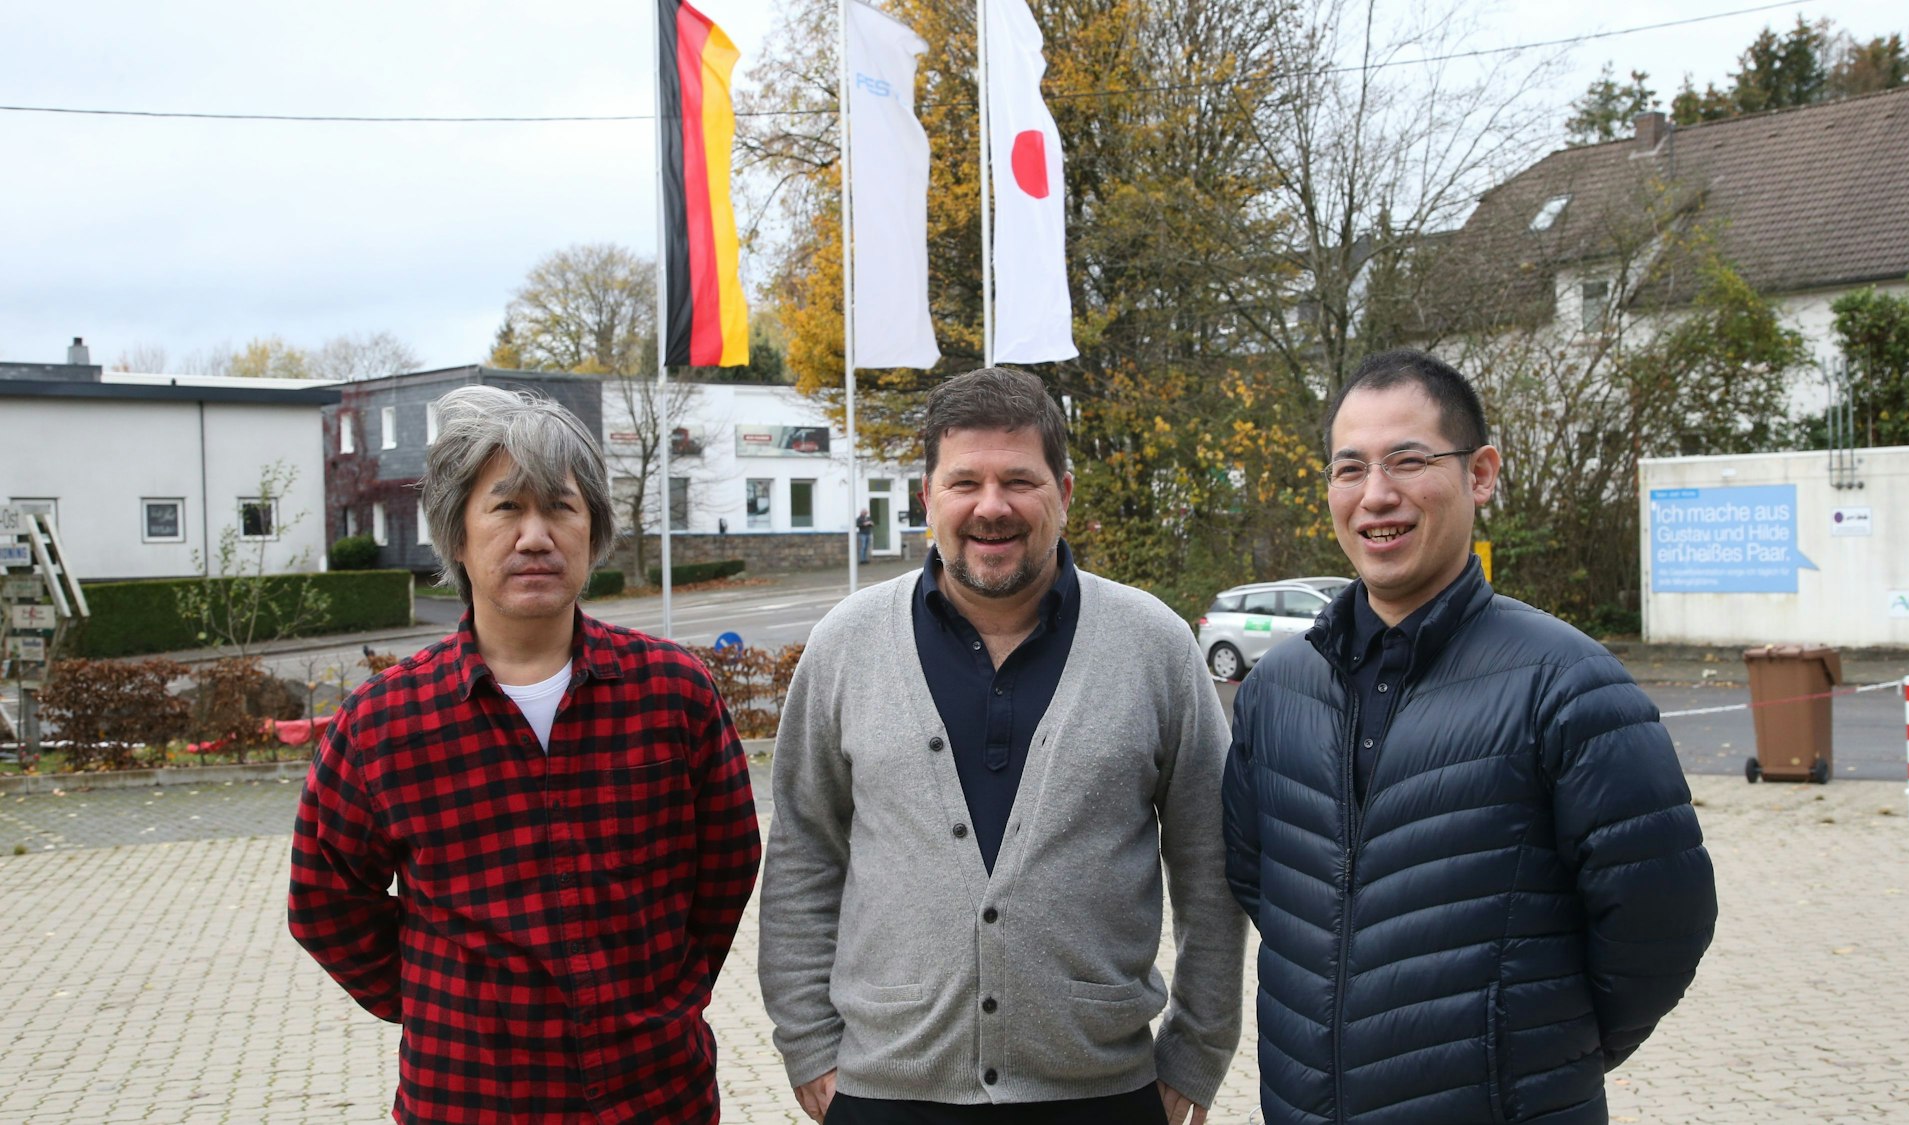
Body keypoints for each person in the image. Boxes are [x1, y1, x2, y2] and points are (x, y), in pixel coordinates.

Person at [1220, 349, 1717, 1125]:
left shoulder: (1569, 684)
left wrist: (1531, 1046)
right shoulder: (1279, 688)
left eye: (1408, 461)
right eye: (1349, 469)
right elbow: (1264, 883)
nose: (1375, 495)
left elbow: (1663, 921)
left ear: (1479, 474)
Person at [759, 367, 1245, 1125]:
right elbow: (801, 852)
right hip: (886, 1094)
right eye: (965, 483)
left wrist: (1196, 1053)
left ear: (1065, 494)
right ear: (927, 498)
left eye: (1020, 479)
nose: (992, 507)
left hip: (1103, 1093)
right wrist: (809, 1043)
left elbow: (1211, 863)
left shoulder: (1153, 646)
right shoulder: (846, 646)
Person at [288, 385, 762, 1124]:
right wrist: (431, 993)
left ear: (592, 528)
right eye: (506, 507)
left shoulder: (673, 693)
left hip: (657, 1095)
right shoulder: (385, 723)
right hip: (468, 1099)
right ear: (456, 533)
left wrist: (667, 991)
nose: (534, 535)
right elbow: (324, 899)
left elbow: (726, 868)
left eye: (560, 508)